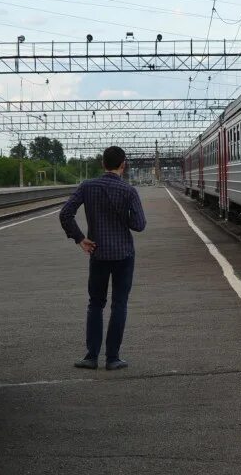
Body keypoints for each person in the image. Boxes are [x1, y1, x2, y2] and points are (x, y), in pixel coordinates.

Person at [59, 146, 146, 371]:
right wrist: (123, 218)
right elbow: (139, 225)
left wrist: (80, 238)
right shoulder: (128, 190)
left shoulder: (88, 186)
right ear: (123, 164)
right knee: (119, 305)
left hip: (97, 252)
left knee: (95, 304)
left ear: (102, 164)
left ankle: (91, 357)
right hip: (123, 254)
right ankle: (113, 358)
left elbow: (66, 213)